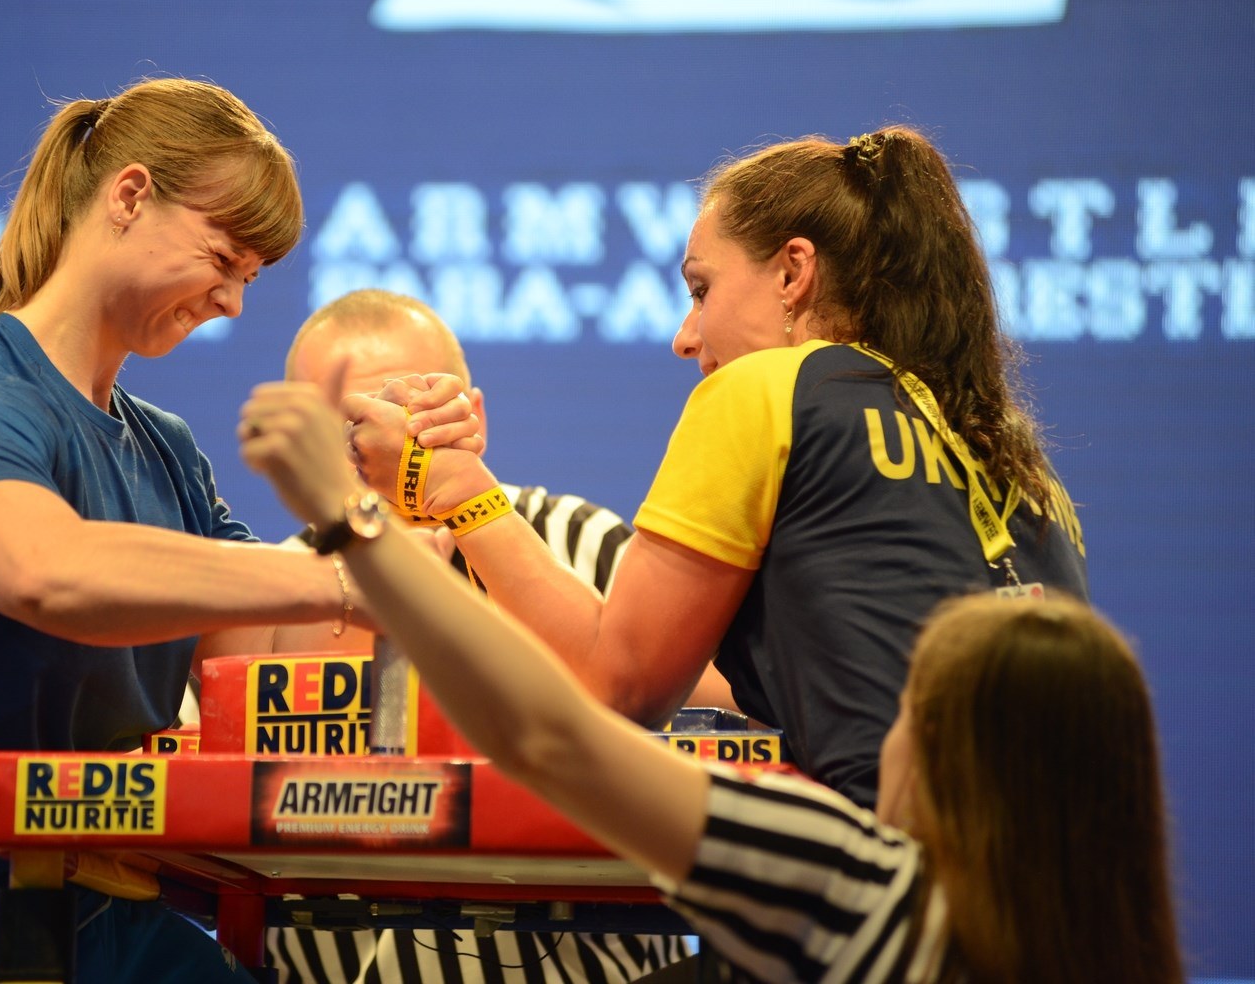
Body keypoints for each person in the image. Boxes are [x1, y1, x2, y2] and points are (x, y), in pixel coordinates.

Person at [248, 387, 1185, 982]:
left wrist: (352, 518)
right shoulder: (1137, 949)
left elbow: (555, 737)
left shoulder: (858, 891)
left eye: (912, 711)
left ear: (949, 754)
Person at [334, 127, 1088, 808]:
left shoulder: (765, 388)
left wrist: (456, 488)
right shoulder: (1010, 452)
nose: (686, 337)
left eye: (702, 289)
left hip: (903, 893)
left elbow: (618, 685)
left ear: (794, 273)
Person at [0, 77, 363, 984]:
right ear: (129, 197)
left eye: (251, 279)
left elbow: (264, 654)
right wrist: (343, 571)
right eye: (224, 258)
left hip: (120, 923)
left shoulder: (168, 448)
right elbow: (46, 575)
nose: (234, 303)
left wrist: (388, 509)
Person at [201, 289, 690, 984]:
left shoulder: (587, 543)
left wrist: (452, 499)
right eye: (341, 422)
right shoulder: (268, 584)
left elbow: (701, 727)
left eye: (408, 411)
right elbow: (218, 808)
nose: (374, 442)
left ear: (473, 417)